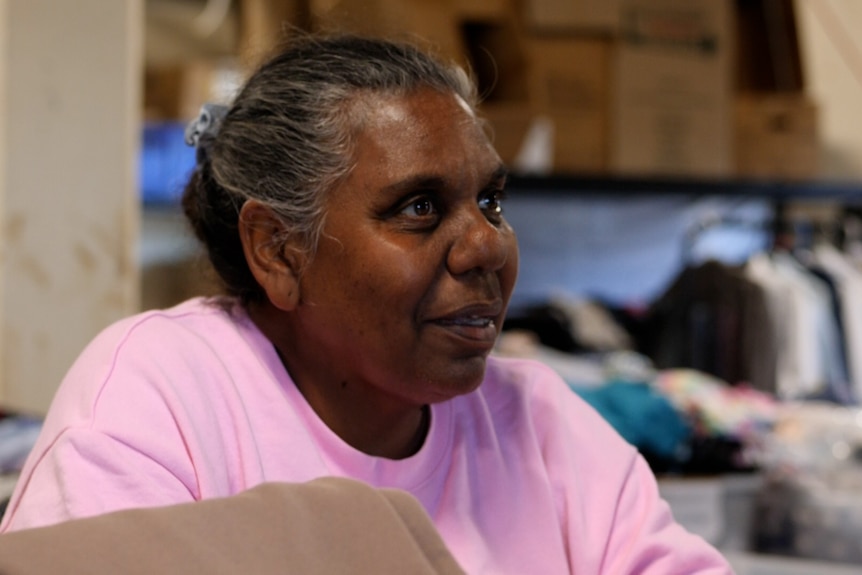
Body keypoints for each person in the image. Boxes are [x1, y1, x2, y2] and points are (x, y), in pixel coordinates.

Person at [0, 33, 732, 573]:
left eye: (491, 200)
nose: (488, 247)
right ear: (280, 250)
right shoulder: (159, 399)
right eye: (418, 206)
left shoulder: (537, 422)